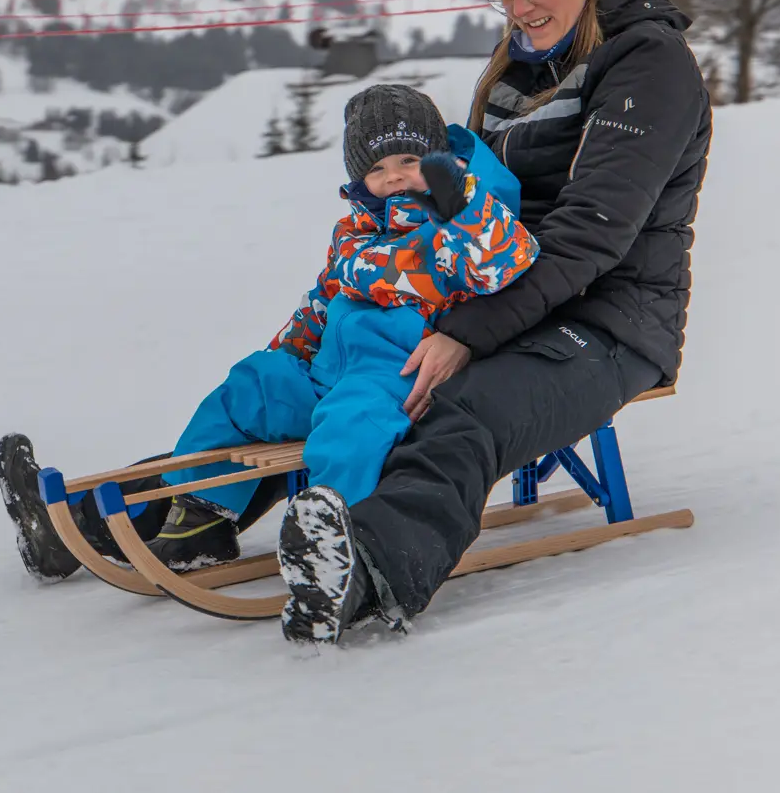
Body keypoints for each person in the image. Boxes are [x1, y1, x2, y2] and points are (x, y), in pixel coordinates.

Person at [272, 0, 714, 644]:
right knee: (341, 368)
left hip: (611, 320)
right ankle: (181, 512)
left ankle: (370, 568)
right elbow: (470, 207)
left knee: (460, 411)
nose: (519, 7)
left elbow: (590, 240)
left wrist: (461, 333)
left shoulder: (650, 67)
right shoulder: (520, 66)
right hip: (505, 295)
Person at [143, 84, 539, 571]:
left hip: (398, 380)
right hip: (325, 374)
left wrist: (463, 202)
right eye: (376, 169)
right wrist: (287, 353)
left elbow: (508, 260)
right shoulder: (353, 230)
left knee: (350, 427)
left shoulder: (453, 227)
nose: (393, 178)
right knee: (254, 383)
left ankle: (337, 538)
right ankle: (201, 521)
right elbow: (320, 303)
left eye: (408, 162)